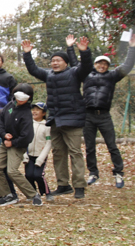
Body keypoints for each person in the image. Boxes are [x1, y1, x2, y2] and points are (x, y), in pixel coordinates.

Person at [22, 36, 92, 198]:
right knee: (59, 154)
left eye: (58, 60)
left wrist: (84, 51)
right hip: (55, 120)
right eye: (53, 60)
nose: (54, 63)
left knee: (75, 153)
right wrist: (27, 54)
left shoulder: (74, 73)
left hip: (72, 120)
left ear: (65, 62)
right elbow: (33, 70)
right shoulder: (49, 75)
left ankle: (79, 186)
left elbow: (86, 66)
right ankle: (63, 184)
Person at [66, 34, 135, 188]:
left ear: (108, 66)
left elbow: (127, 65)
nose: (102, 66)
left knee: (112, 146)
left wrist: (132, 48)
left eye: (105, 64)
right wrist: (70, 47)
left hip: (104, 116)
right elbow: (76, 62)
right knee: (90, 147)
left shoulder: (112, 76)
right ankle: (93, 173)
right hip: (88, 115)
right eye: (99, 63)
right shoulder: (87, 75)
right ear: (95, 64)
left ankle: (118, 173)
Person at [0, 84, 41, 206]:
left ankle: (33, 195)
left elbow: (27, 136)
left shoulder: (27, 113)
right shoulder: (10, 106)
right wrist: (4, 134)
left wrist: (12, 142)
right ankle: (7, 195)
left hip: (18, 145)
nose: (19, 100)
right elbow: (1, 121)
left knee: (12, 171)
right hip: (5, 142)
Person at [23, 102, 52, 200]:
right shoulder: (28, 124)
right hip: (29, 154)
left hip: (40, 155)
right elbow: (24, 139)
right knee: (29, 175)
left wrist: (41, 158)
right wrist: (24, 155)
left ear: (43, 113)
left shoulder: (47, 126)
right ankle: (33, 194)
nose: (34, 112)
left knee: (38, 175)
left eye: (38, 110)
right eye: (33, 109)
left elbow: (48, 142)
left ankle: (47, 192)